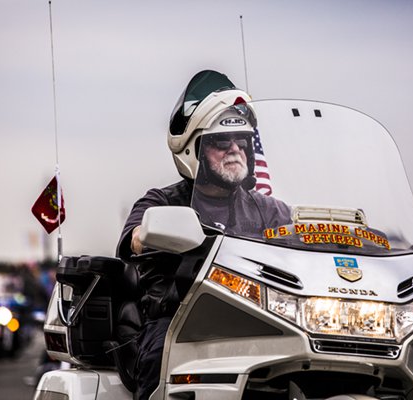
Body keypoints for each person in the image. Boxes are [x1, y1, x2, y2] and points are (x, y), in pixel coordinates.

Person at [116, 71, 290, 400]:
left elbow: (303, 235)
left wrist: (362, 238)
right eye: (221, 142)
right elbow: (133, 239)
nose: (235, 150)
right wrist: (157, 232)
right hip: (182, 319)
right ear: (194, 150)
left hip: (259, 318)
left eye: (242, 141)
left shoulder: (268, 210)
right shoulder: (162, 200)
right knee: (159, 360)